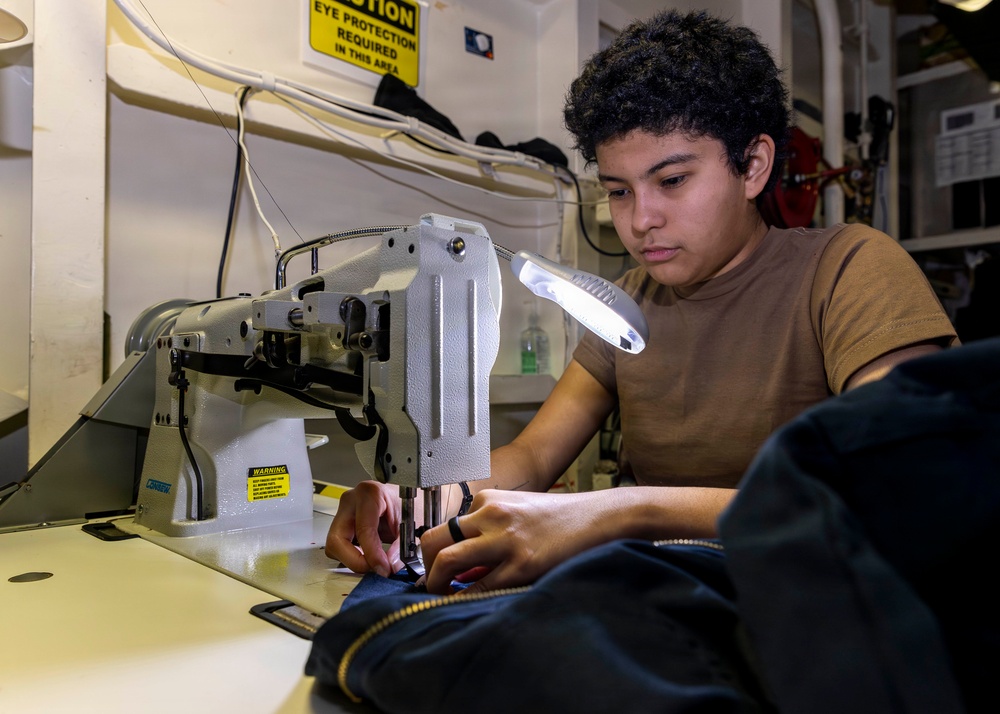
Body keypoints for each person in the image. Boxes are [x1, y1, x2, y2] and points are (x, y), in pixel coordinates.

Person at [325, 9, 958, 595]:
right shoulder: (626, 302)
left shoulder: (850, 269)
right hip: (665, 591)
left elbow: (894, 483)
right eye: (619, 191)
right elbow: (534, 457)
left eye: (672, 180)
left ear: (754, 165)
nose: (640, 221)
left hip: (815, 597)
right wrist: (418, 499)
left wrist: (623, 511)